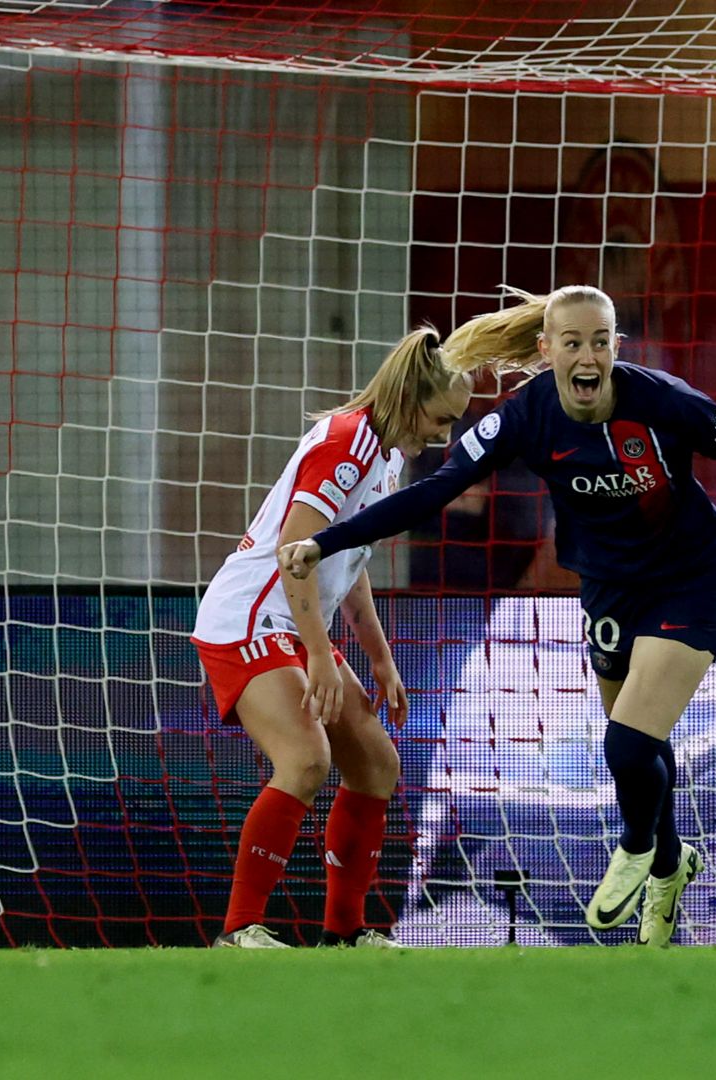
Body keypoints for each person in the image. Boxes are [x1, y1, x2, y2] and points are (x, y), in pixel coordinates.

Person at [280, 285, 716, 946]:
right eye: (571, 342)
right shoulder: (523, 418)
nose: (587, 355)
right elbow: (434, 493)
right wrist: (327, 541)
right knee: (641, 752)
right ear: (546, 351)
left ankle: (635, 848)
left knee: (628, 744)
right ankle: (670, 864)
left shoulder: (661, 400)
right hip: (608, 590)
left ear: (614, 349)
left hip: (690, 582)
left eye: (599, 342)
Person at [192, 325, 472, 947]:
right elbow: (297, 553)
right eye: (440, 418)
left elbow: (347, 560)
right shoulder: (347, 444)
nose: (443, 436)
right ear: (408, 397)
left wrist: (377, 657)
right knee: (308, 758)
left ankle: (344, 936)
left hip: (296, 620)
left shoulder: (389, 456)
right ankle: (239, 932)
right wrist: (319, 655)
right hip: (250, 616)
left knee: (376, 763)